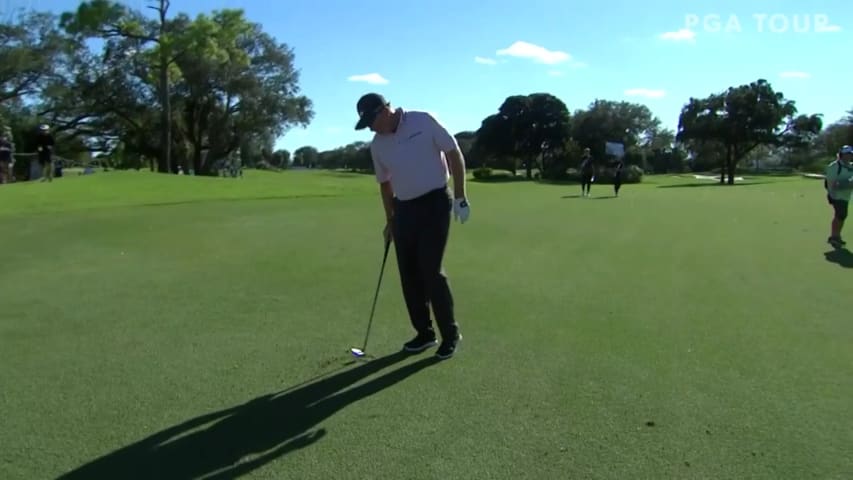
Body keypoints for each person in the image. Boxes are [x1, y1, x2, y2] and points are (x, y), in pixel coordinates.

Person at [355, 92, 469, 360]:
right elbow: (385, 184)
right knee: (408, 273)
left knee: (430, 269)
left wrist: (460, 196)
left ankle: (450, 335)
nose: (371, 128)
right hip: (404, 208)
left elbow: (453, 153)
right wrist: (390, 220)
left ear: (384, 111)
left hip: (434, 202)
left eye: (372, 121)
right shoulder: (378, 145)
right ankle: (425, 333)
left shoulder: (422, 121)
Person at [825, 145, 853, 248]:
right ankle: (834, 237)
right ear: (841, 155)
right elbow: (832, 185)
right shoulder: (834, 166)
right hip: (836, 196)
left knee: (842, 216)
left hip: (846, 196)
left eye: (850, 154)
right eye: (846, 154)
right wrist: (848, 184)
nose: (848, 156)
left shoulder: (851, 166)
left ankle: (836, 236)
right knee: (841, 214)